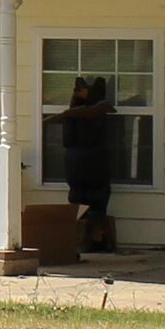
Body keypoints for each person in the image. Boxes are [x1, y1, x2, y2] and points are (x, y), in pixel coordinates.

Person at [57, 73, 116, 253]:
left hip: (75, 160)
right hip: (93, 160)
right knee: (96, 200)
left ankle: (81, 240)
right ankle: (90, 240)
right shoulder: (95, 114)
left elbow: (67, 139)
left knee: (79, 199)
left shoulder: (74, 114)